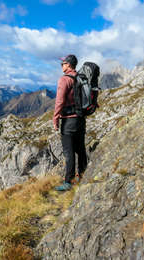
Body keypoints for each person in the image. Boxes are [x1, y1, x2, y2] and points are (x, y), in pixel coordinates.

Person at [53, 54, 88, 191]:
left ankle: (69, 182)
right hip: (81, 119)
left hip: (68, 120)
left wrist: (55, 118)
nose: (61, 65)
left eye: (63, 63)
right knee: (81, 149)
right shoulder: (81, 78)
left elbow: (60, 101)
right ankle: (83, 174)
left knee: (69, 152)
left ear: (69, 65)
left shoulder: (64, 80)